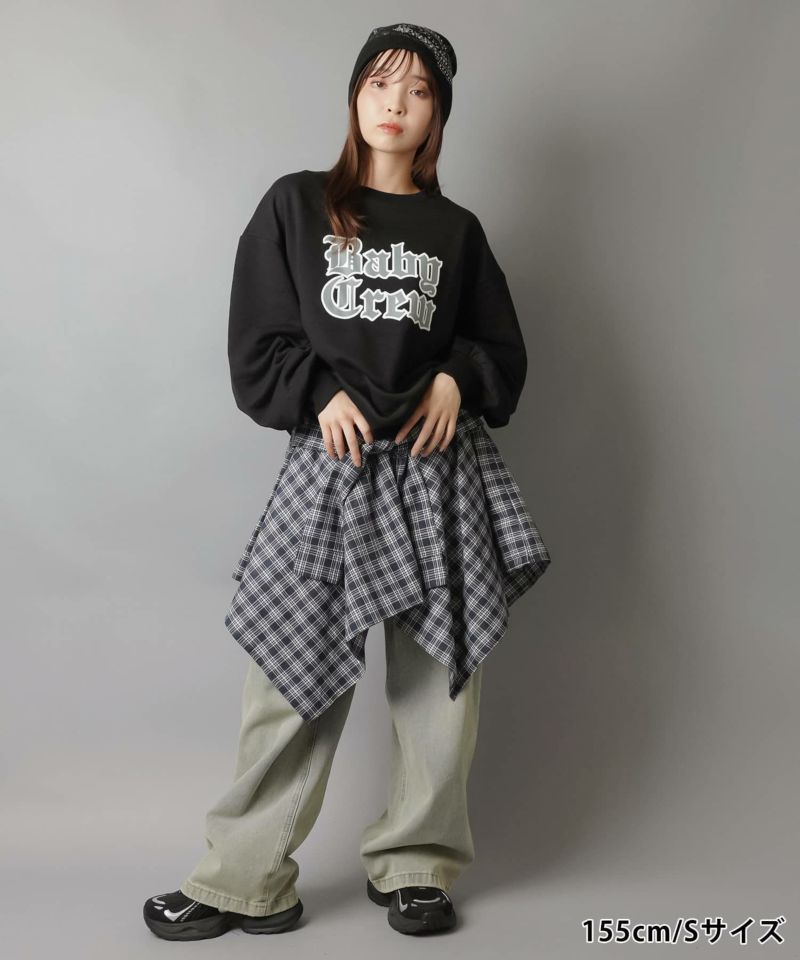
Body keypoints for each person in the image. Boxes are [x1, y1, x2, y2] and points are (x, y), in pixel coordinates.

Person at [143, 22, 551, 941]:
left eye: (418, 90)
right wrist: (317, 390)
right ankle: (244, 878)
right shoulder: (295, 205)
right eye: (379, 83)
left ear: (439, 114)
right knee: (288, 680)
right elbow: (258, 340)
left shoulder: (456, 231)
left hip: (437, 471)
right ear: (355, 96)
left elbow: (501, 350)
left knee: (439, 685)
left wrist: (457, 378)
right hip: (332, 470)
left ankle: (418, 866)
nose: (395, 103)